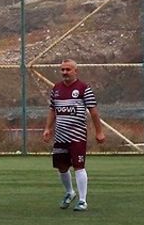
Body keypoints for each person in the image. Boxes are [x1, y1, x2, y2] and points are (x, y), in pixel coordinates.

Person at [41, 59, 106, 211]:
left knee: (78, 166)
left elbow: (94, 112)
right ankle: (70, 192)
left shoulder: (83, 88)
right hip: (60, 136)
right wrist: (48, 128)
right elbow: (52, 110)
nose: (65, 72)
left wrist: (99, 131)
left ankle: (83, 200)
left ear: (75, 71)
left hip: (77, 135)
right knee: (62, 167)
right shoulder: (56, 89)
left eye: (68, 69)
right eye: (62, 70)